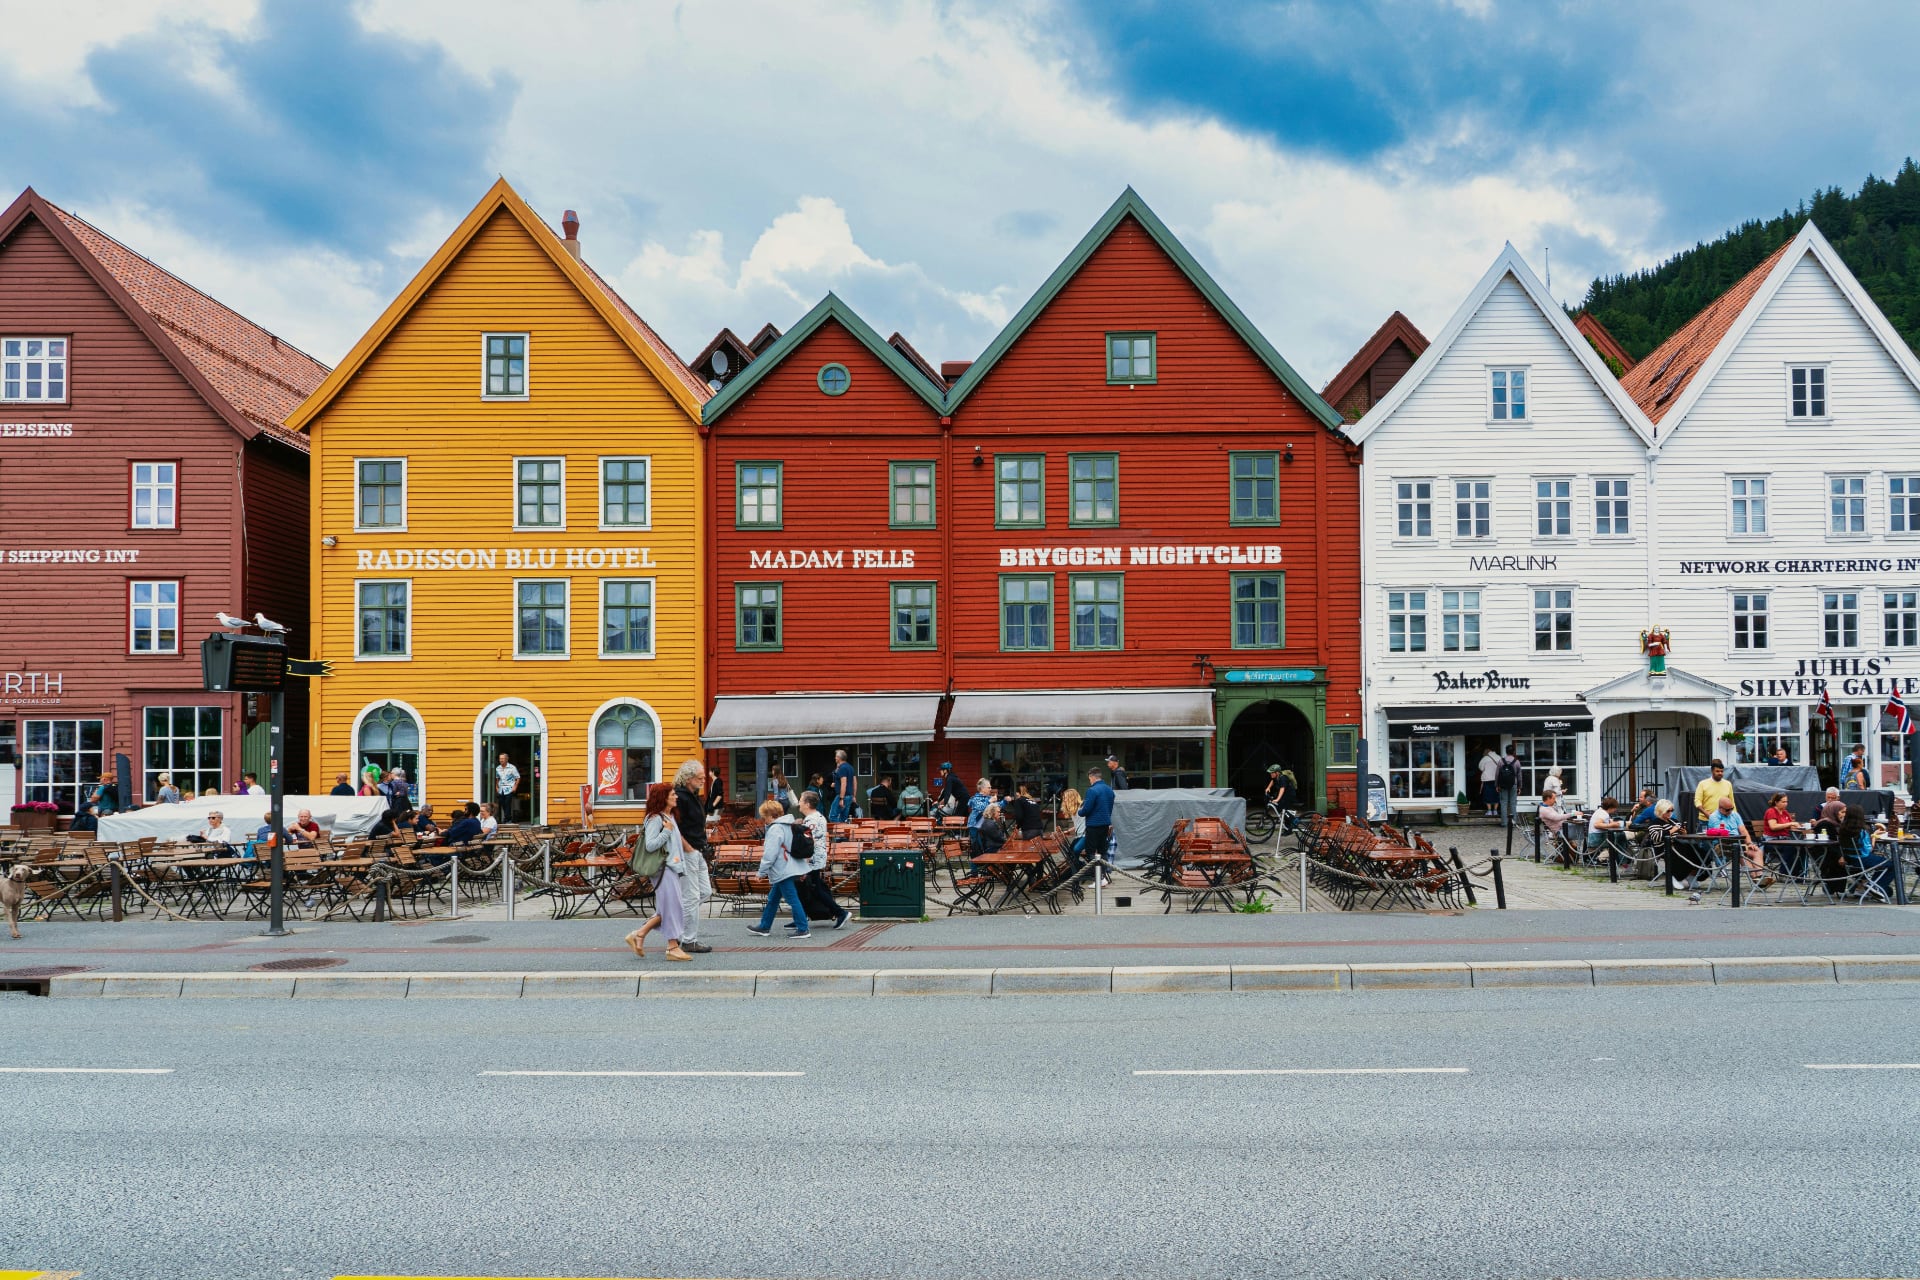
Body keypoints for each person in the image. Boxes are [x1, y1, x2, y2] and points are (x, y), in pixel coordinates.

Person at [624, 784, 694, 962]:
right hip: (663, 869)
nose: (676, 797)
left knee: (667, 908)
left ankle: (638, 935)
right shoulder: (655, 819)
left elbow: (675, 846)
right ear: (663, 797)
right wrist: (667, 832)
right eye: (672, 794)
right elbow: (650, 845)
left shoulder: (669, 816)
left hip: (671, 867)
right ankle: (672, 947)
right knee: (672, 907)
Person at [747, 797, 812, 939]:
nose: (764, 819)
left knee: (792, 899)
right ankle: (764, 926)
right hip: (790, 866)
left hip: (782, 869)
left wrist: (761, 872)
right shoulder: (788, 825)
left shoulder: (775, 829)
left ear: (770, 815)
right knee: (773, 898)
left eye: (765, 816)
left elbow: (770, 854)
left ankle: (803, 928)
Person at [789, 791, 849, 930]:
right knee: (813, 888)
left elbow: (809, 842)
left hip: (812, 860)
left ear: (808, 804)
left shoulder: (811, 820)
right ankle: (801, 917)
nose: (799, 803)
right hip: (818, 857)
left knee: (813, 889)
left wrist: (805, 863)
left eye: (801, 800)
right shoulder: (819, 817)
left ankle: (840, 913)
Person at [671, 759, 714, 954]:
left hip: (697, 850)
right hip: (687, 852)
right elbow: (673, 828)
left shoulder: (694, 795)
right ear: (689, 778)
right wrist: (688, 848)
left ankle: (665, 917)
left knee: (705, 892)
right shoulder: (680, 797)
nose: (704, 780)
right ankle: (688, 940)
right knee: (691, 896)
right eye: (700, 777)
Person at [1703, 794, 1767, 882]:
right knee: (1740, 853)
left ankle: (1760, 877)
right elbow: (1721, 835)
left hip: (1738, 843)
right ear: (1720, 808)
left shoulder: (1735, 815)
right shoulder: (1714, 817)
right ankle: (1756, 880)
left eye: (1731, 808)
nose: (1730, 811)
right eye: (1727, 810)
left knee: (1757, 851)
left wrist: (1749, 843)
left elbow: (1743, 830)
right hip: (1721, 845)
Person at [1839, 803, 1893, 899]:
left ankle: (1870, 886)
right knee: (1891, 864)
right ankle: (1876, 887)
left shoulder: (1842, 829)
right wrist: (1874, 837)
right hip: (1862, 859)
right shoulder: (1862, 831)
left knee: (1881, 862)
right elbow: (1869, 850)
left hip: (1850, 860)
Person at [1081, 767, 1115, 887]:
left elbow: (1086, 809)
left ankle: (1098, 878)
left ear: (1092, 777)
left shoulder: (1092, 790)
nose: (1089, 781)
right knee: (1103, 851)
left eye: (1089, 778)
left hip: (1093, 825)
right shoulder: (1109, 790)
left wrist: (1080, 812)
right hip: (1105, 824)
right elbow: (1110, 807)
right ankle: (1103, 877)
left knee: (1090, 852)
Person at [1693, 759, 1733, 826]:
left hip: (1723, 821)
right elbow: (1697, 801)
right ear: (1712, 771)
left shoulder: (1728, 784)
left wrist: (1732, 818)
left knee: (1722, 837)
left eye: (1721, 771)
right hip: (1705, 821)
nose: (1720, 773)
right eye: (1717, 771)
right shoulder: (1702, 784)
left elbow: (1732, 803)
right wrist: (1706, 814)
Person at [1538, 789, 1573, 865]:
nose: (1555, 801)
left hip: (1562, 829)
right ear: (1548, 798)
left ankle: (1572, 857)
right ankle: (1588, 855)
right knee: (1584, 831)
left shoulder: (1548, 807)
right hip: (1559, 832)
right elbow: (1557, 818)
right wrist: (1572, 814)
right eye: (1553, 798)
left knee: (1582, 829)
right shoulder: (1544, 810)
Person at [1586, 796, 1624, 863]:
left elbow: (1604, 822)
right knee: (1621, 836)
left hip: (1592, 838)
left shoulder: (1599, 811)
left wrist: (1611, 822)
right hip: (1597, 839)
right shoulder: (1604, 814)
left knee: (1618, 837)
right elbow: (1597, 824)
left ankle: (1611, 858)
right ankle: (1622, 860)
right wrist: (1612, 825)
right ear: (1611, 808)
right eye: (1615, 808)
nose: (1615, 810)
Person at [966, 778, 996, 852]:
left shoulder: (989, 798)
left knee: (986, 847)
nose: (990, 789)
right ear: (983, 789)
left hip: (985, 826)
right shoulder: (975, 798)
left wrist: (1005, 801)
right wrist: (989, 801)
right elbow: (980, 807)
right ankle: (975, 863)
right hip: (975, 826)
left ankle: (986, 862)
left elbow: (997, 806)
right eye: (989, 787)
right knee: (977, 849)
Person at [829, 749, 858, 823]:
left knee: (832, 816)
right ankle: (843, 833)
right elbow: (854, 782)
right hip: (849, 796)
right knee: (844, 817)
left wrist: (841, 798)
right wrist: (854, 796)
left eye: (836, 756)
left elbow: (844, 783)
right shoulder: (850, 767)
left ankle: (839, 833)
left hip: (842, 796)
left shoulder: (842, 768)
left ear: (839, 757)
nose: (835, 758)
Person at [494, 752, 521, 825]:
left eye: (502, 758)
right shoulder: (498, 768)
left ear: (507, 759)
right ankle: (507, 818)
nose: (501, 760)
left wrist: (515, 787)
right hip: (501, 789)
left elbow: (518, 778)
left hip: (509, 789)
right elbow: (497, 778)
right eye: (500, 758)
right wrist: (496, 787)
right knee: (502, 804)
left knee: (507, 804)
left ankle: (507, 819)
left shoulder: (512, 767)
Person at [1497, 745, 1520, 825]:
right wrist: (1519, 786)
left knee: (1503, 803)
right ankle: (1513, 823)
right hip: (1514, 784)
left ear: (1506, 751)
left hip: (1503, 785)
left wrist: (1497, 785)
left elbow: (1497, 774)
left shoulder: (1501, 761)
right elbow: (1519, 775)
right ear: (1513, 752)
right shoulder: (1516, 761)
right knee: (1513, 803)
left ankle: (1504, 823)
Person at [1478, 747, 1501, 814]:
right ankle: (1495, 810)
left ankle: (1489, 810)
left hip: (1487, 779)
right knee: (1496, 795)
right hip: (1497, 779)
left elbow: (1481, 768)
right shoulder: (1499, 757)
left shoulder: (1485, 758)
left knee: (1487, 795)